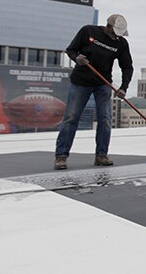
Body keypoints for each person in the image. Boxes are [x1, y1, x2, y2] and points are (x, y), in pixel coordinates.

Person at [53, 14, 134, 170]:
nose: (116, 37)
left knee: (105, 119)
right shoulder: (88, 31)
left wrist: (124, 87)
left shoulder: (122, 44)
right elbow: (71, 50)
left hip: (102, 84)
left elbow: (127, 67)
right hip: (80, 82)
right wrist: (78, 58)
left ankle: (101, 155)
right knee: (71, 117)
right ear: (108, 26)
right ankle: (61, 156)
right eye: (115, 32)